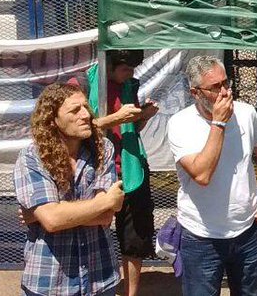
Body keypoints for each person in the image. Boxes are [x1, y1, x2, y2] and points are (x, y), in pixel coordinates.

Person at [168, 55, 257, 296]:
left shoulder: (246, 114)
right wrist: (218, 124)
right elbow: (202, 174)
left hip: (247, 231)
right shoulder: (180, 123)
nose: (225, 92)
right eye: (215, 87)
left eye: (226, 83)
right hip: (201, 236)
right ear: (195, 92)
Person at [14, 83, 125, 296]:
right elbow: (53, 220)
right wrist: (104, 201)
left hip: (99, 277)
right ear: (53, 120)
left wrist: (44, 213)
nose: (86, 115)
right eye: (75, 110)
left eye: (86, 107)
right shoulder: (32, 158)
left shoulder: (103, 148)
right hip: (50, 282)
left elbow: (106, 217)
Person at [92, 50, 159, 296]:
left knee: (134, 236)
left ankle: (131, 292)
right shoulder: (90, 83)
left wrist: (145, 116)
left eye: (133, 68)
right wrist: (116, 117)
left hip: (131, 168)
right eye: (125, 68)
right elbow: (87, 127)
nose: (130, 73)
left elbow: (132, 127)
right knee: (94, 229)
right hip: (101, 171)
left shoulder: (130, 87)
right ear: (109, 66)